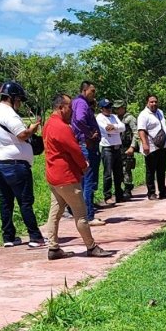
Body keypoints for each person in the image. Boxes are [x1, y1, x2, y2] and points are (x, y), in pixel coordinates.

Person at [39, 92, 114, 260]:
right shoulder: (62, 127)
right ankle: (91, 246)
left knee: (55, 213)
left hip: (53, 176)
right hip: (67, 177)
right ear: (60, 108)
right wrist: (84, 165)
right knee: (81, 214)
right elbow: (75, 150)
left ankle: (53, 247)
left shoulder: (49, 124)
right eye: (69, 108)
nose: (71, 111)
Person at [0, 80, 47, 249]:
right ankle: (35, 236)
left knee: (6, 201)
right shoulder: (9, 113)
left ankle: (8, 236)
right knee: (25, 201)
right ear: (12, 98)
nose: (20, 104)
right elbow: (22, 134)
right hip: (14, 165)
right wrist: (33, 128)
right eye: (19, 100)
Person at [71, 80, 103, 223]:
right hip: (87, 146)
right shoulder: (82, 103)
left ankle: (83, 215)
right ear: (84, 91)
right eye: (92, 91)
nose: (94, 94)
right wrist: (89, 134)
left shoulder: (78, 103)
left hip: (85, 145)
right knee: (88, 181)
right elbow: (79, 119)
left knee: (85, 182)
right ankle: (89, 216)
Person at [137, 93, 166, 200]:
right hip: (151, 147)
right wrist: (145, 144)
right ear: (147, 103)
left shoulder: (160, 112)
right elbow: (141, 130)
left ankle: (163, 191)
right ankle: (151, 193)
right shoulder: (143, 115)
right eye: (151, 102)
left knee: (161, 170)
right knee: (150, 171)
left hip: (162, 147)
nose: (154, 103)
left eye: (155, 101)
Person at [96, 98, 125, 207]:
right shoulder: (99, 118)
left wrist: (115, 127)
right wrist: (115, 128)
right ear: (101, 109)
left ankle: (119, 194)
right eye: (106, 107)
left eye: (110, 107)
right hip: (107, 148)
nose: (109, 109)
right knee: (108, 173)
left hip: (117, 147)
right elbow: (106, 129)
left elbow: (123, 127)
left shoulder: (114, 117)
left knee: (118, 173)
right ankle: (107, 196)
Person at [117, 101, 138, 201]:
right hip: (118, 147)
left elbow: (136, 132)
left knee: (126, 168)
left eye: (119, 108)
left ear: (123, 107)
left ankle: (128, 189)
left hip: (127, 146)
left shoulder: (130, 118)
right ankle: (119, 189)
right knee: (118, 169)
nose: (117, 110)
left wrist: (132, 146)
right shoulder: (116, 118)